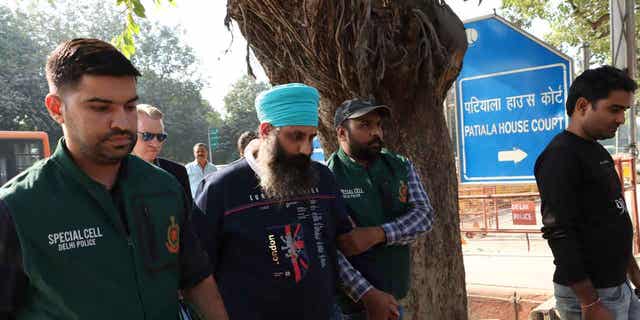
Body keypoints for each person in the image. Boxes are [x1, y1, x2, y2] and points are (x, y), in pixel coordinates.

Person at [0, 38, 228, 320]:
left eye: (130, 106)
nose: (121, 122)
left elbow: (196, 279)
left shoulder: (164, 188)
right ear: (56, 108)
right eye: (100, 107)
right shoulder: (18, 207)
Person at [193, 83, 368, 319]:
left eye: (311, 137)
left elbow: (335, 245)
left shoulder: (323, 178)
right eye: (296, 136)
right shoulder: (220, 189)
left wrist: (368, 293)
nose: (306, 149)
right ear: (266, 131)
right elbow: (198, 273)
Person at [535, 65, 639, 320]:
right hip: (592, 295)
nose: (621, 119)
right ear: (582, 106)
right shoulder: (560, 156)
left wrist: (635, 275)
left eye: (624, 111)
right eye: (614, 109)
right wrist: (590, 303)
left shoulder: (597, 151)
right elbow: (558, 232)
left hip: (619, 286)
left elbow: (615, 216)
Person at [328, 99, 435, 320]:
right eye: (364, 125)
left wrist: (379, 234)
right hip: (352, 308)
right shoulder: (327, 178)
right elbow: (329, 249)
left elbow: (424, 216)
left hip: (394, 302)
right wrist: (367, 294)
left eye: (378, 125)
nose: (376, 132)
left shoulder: (400, 165)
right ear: (341, 133)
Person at [132, 104, 192, 199]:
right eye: (147, 136)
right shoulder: (108, 176)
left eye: (160, 137)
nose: (155, 143)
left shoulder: (178, 173)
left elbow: (188, 213)